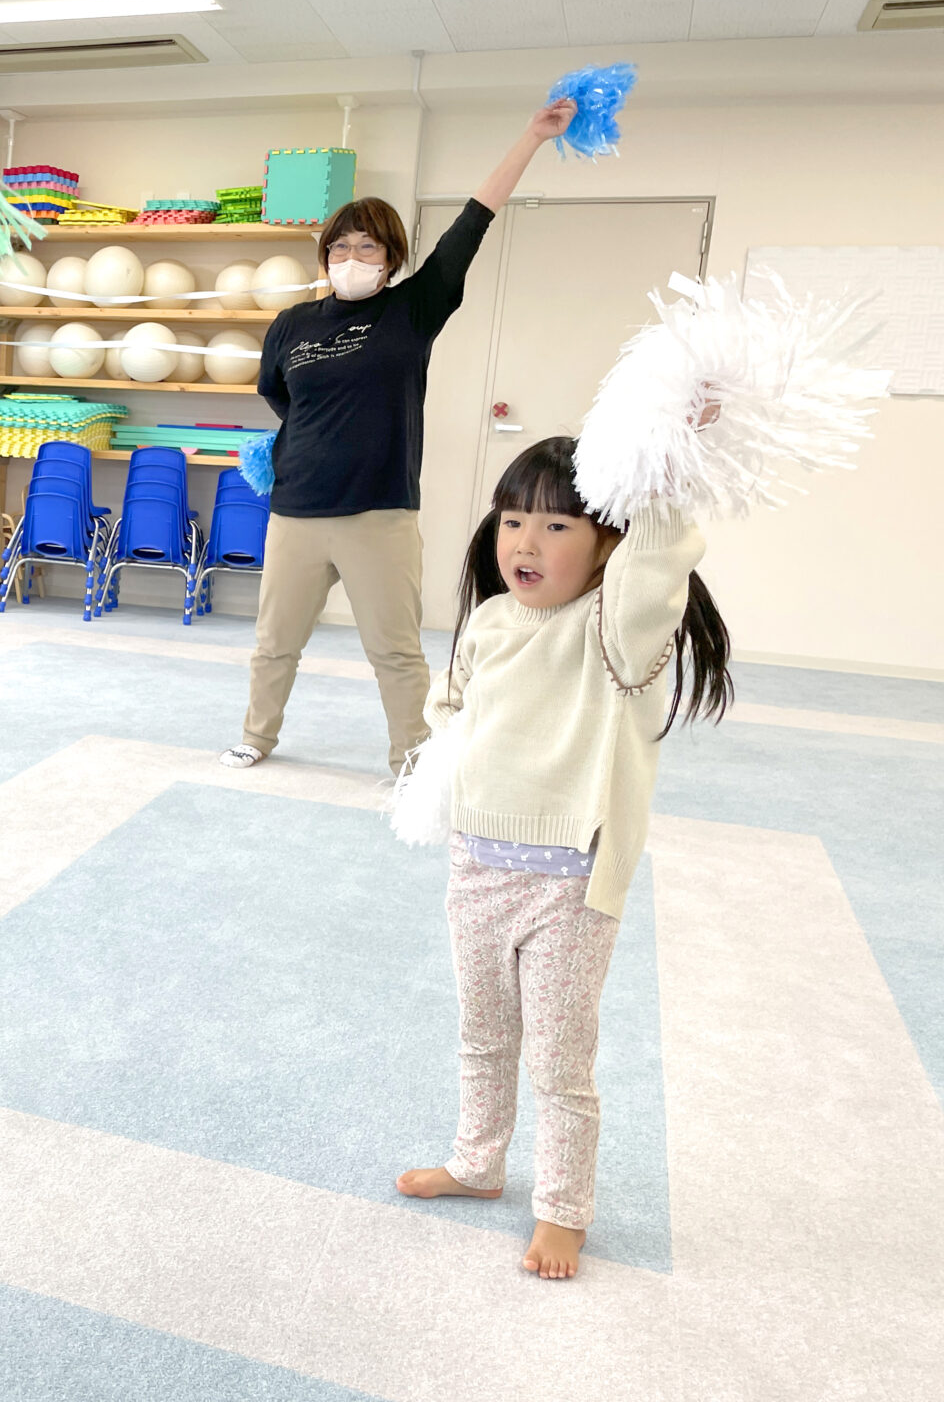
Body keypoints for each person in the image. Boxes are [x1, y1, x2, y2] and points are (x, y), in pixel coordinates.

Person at [394, 436, 733, 1279]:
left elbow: (656, 565)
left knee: (557, 1059)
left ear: (607, 542)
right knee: (482, 1034)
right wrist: (450, 756)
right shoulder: (490, 619)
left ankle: (564, 1211)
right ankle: (477, 1163)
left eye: (555, 524)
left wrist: (667, 456)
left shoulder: (618, 634)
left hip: (570, 885)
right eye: (513, 521)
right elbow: (452, 702)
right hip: (477, 865)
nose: (525, 543)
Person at [221, 98, 577, 775]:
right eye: (340, 246)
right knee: (274, 643)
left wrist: (531, 134)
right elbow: (277, 396)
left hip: (379, 515)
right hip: (296, 512)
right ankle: (257, 736)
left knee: (394, 650)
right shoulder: (292, 325)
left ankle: (412, 759)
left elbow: (473, 222)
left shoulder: (413, 309)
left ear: (390, 258)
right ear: (324, 254)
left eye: (367, 246)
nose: (351, 256)